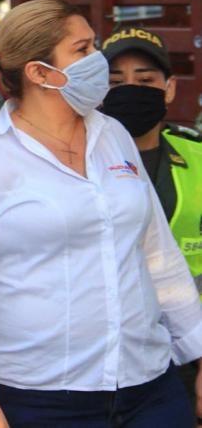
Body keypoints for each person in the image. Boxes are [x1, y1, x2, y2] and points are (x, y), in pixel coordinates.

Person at [0, 0, 202, 427]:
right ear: (40, 73)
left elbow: (157, 256)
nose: (98, 60)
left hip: (148, 386)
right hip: (38, 399)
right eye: (83, 49)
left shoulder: (113, 135)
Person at [99, 26, 202, 415]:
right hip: (108, 355)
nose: (130, 90)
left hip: (190, 350)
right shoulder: (73, 166)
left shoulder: (198, 159)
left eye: (145, 81)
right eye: (115, 82)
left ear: (169, 89)